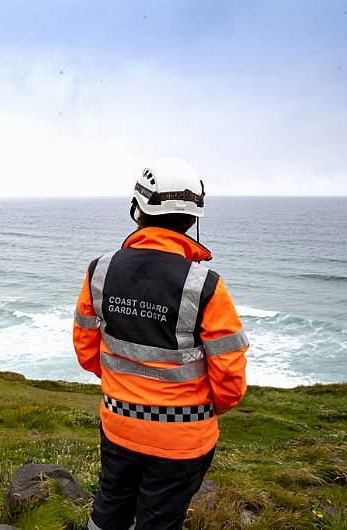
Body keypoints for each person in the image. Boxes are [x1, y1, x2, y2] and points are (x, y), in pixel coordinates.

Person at [73, 158, 248, 530]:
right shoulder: (206, 285)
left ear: (137, 209)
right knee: (159, 521)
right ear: (191, 220)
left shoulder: (100, 270)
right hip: (184, 436)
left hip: (119, 423)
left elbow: (87, 350)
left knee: (109, 509)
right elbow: (229, 375)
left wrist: (124, 385)